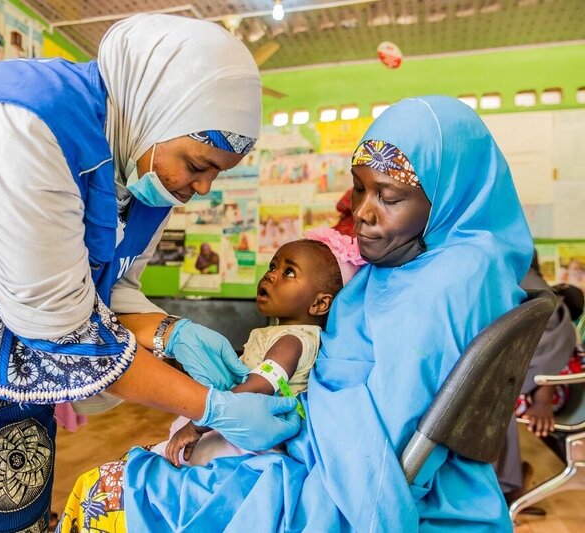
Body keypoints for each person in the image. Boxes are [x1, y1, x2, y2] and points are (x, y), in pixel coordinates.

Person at [0, 14, 301, 532]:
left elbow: (109, 287)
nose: (202, 189)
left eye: (216, 174)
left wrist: (168, 330)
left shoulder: (143, 168)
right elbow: (59, 327)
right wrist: (212, 406)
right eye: (198, 165)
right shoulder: (24, 122)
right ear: (158, 112)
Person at [58, 96, 532, 532]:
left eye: (388, 197)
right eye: (359, 189)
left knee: (104, 489)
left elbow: (379, 442)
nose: (364, 213)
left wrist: (266, 419)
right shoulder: (406, 266)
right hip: (318, 446)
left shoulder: (450, 280)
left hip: (336, 475)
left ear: (448, 194)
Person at [155, 228, 364, 467]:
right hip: (243, 423)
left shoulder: (292, 341)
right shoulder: (283, 335)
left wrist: (200, 423)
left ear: (319, 303)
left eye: (289, 272)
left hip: (254, 442)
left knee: (180, 461)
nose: (271, 276)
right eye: (273, 266)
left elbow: (260, 387)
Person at [497, 250, 578, 503]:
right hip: (532, 381)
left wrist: (543, 400)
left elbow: (552, 347)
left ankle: (507, 487)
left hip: (552, 387)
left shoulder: (526, 283)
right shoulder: (520, 279)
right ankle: (502, 479)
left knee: (490, 398)